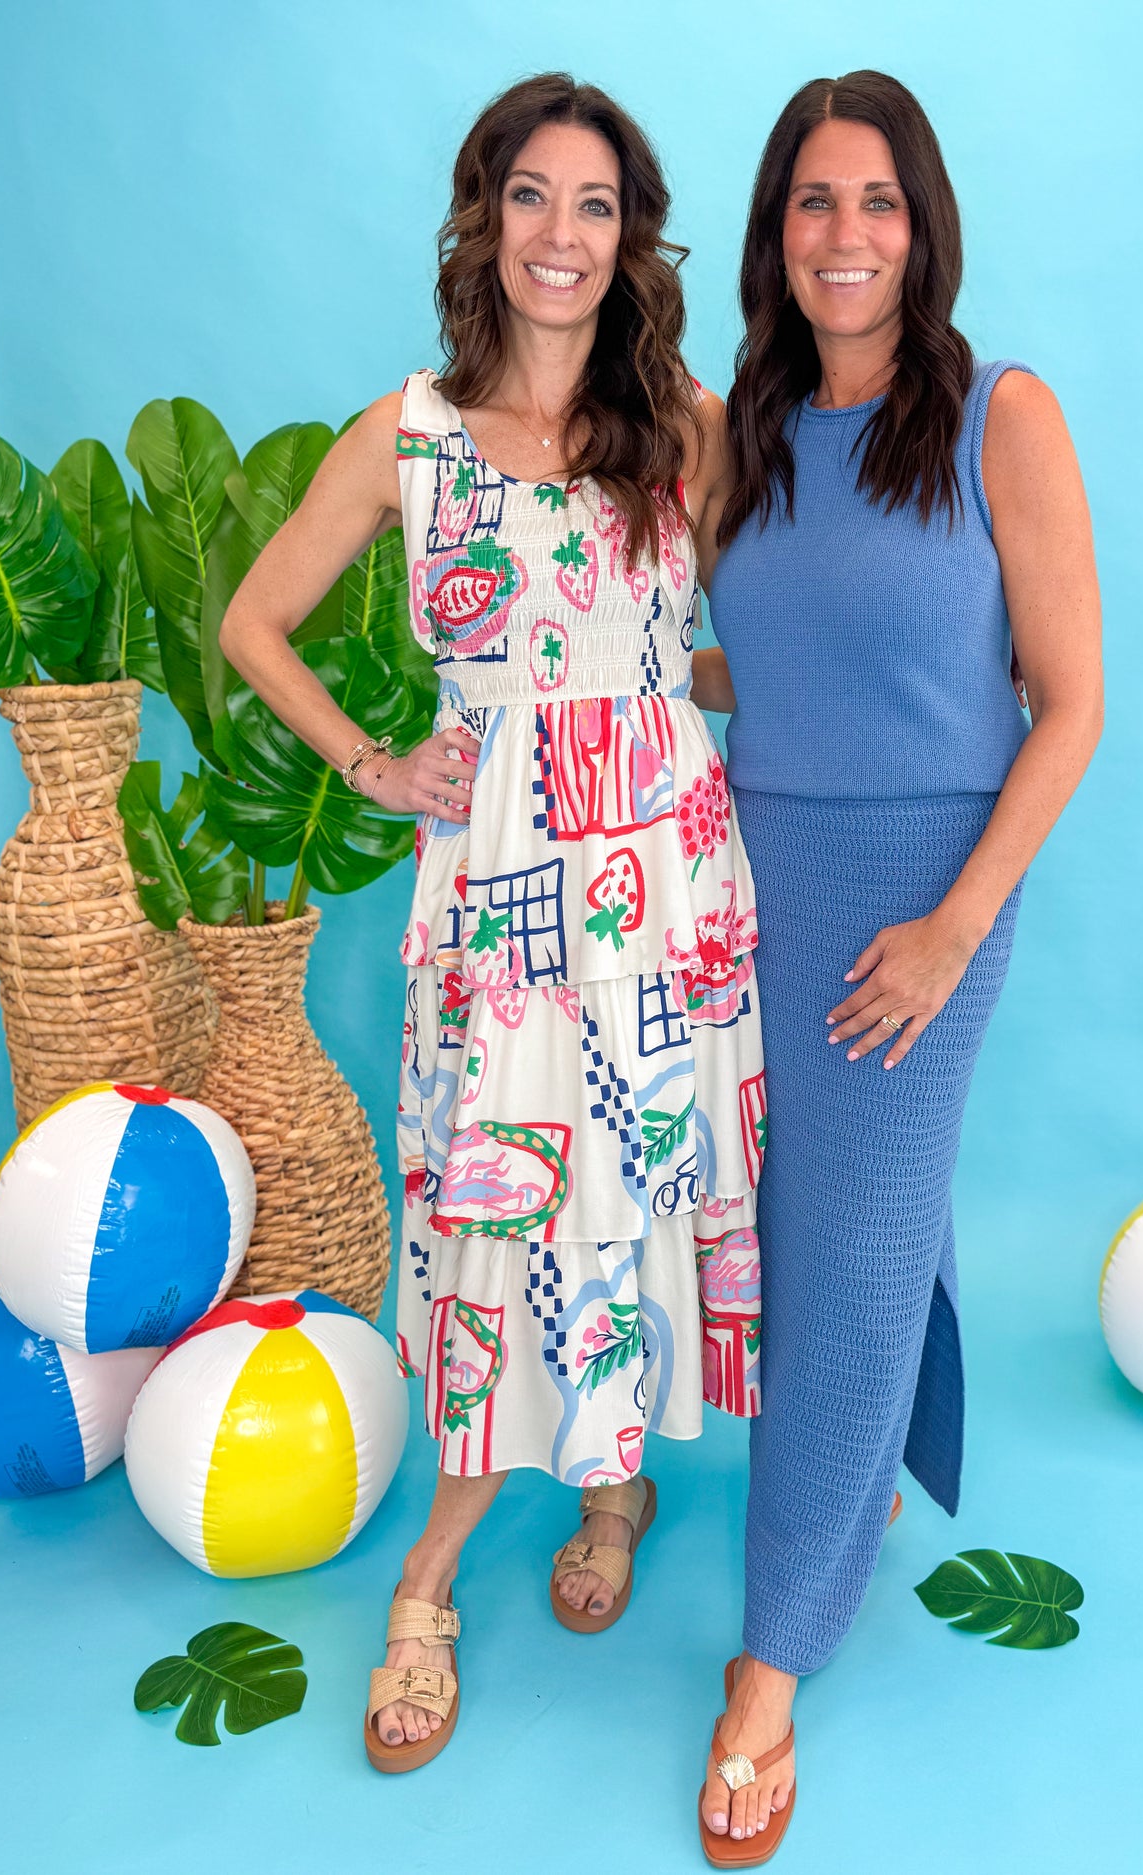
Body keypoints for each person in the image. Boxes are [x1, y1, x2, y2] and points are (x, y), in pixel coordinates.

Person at [219, 71, 764, 1774]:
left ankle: (616, 1494)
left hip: (669, 876)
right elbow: (255, 626)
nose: (562, 234)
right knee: (493, 1208)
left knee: (631, 1190)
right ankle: (435, 1568)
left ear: (633, 237)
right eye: (533, 196)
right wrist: (377, 764)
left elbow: (734, 649)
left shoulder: (685, 415)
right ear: (485, 218)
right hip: (502, 890)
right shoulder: (409, 434)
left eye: (595, 204)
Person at [689, 70, 1103, 1861]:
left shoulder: (1004, 412)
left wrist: (952, 926)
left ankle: (774, 1668)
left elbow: (1069, 704)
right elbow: (742, 673)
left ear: (921, 223)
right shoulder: (747, 428)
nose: (845, 236)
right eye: (811, 204)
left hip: (923, 898)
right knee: (799, 1230)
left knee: (847, 1260)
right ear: (775, 237)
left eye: (875, 202)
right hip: (749, 872)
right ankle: (870, 1455)